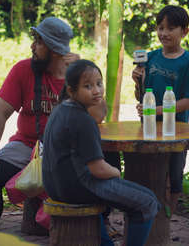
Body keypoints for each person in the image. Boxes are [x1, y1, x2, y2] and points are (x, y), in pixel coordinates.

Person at [0, 16, 79, 231]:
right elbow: (0, 114)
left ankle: (96, 225)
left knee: (107, 162)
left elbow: (99, 116)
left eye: (39, 42)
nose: (32, 46)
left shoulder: (78, 73)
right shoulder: (23, 70)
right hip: (26, 146)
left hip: (65, 152)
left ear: (55, 49)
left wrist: (77, 78)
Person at [42, 59, 160, 246]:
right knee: (148, 201)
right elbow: (98, 170)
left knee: (130, 194)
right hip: (77, 187)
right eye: (87, 86)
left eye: (99, 83)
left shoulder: (60, 110)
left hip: (54, 186)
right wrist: (116, 173)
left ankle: (105, 242)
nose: (96, 90)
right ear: (72, 91)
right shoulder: (83, 119)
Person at [132, 5, 189, 215]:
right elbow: (142, 97)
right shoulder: (149, 57)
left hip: (176, 129)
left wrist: (156, 110)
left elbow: (188, 101)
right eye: (160, 28)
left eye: (171, 28)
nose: (164, 33)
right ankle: (149, 211)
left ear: (184, 31)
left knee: (175, 173)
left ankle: (169, 216)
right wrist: (137, 83)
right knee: (149, 170)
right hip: (149, 128)